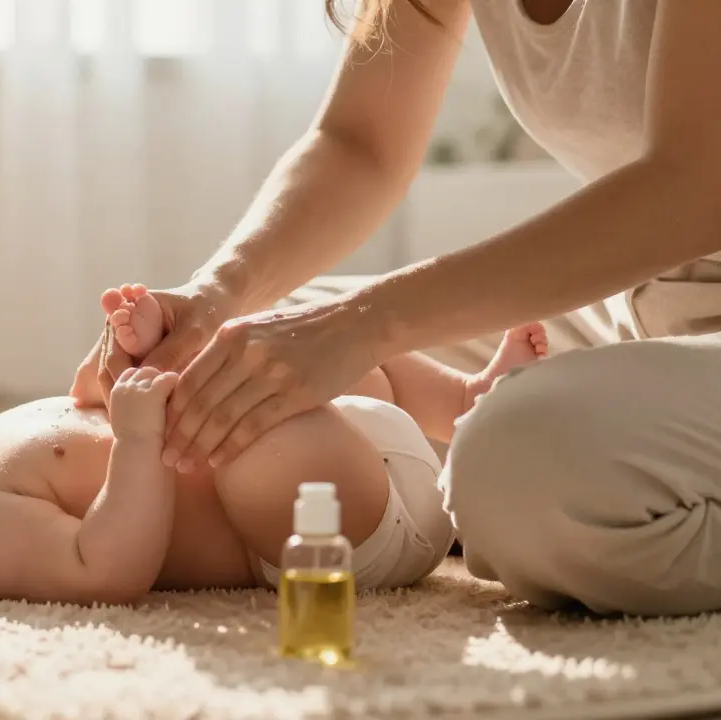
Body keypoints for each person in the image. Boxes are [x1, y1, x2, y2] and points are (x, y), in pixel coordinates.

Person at [70, 0, 721, 618]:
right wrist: (214, 299)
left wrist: (363, 323)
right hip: (640, 303)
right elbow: (360, 144)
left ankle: (503, 497)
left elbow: (693, 187)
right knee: (251, 348)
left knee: (511, 462)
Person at [0, 283, 544, 602]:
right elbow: (105, 568)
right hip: (319, 531)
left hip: (350, 447)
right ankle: (456, 470)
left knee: (289, 328)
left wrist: (117, 363)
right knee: (249, 427)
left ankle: (462, 405)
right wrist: (137, 440)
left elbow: (87, 404)